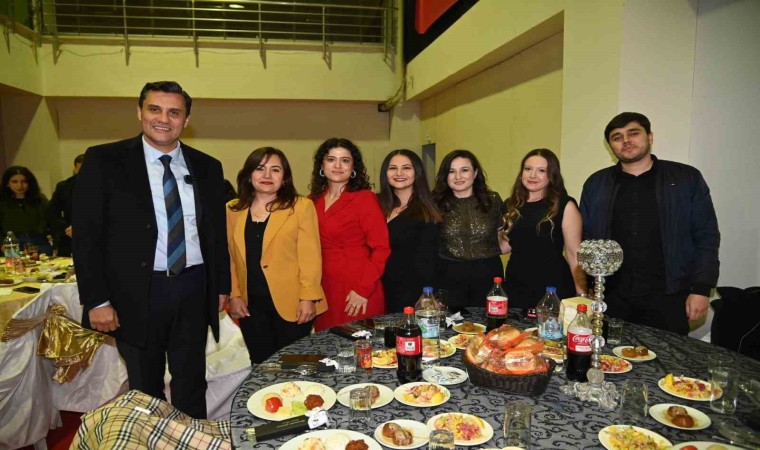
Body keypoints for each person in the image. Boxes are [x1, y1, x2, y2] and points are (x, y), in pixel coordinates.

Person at [72, 81, 231, 418]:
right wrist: (97, 300)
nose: (164, 119)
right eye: (155, 109)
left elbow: (216, 234)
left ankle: (191, 439)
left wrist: (221, 286)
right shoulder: (104, 160)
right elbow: (86, 236)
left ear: (186, 119)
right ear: (139, 112)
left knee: (192, 382)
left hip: (193, 288)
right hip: (135, 293)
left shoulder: (207, 166)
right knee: (145, 386)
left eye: (174, 112)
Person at [579, 112, 720, 335]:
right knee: (609, 354)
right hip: (612, 296)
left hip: (669, 295)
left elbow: (706, 235)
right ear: (611, 146)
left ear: (650, 137)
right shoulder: (596, 184)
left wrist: (701, 288)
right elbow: (586, 238)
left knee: (667, 355)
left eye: (633, 133)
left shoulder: (685, 179)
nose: (626, 140)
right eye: (617, 137)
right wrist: (587, 285)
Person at [226, 147, 326, 363]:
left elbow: (310, 256)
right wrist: (234, 295)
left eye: (275, 170)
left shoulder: (301, 207)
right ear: (249, 174)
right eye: (260, 168)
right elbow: (230, 257)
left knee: (292, 364)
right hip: (250, 305)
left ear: (285, 177)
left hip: (293, 303)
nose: (267, 175)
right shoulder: (233, 209)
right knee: (261, 364)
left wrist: (308, 298)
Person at [308, 137, 390, 331]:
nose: (337, 166)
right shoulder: (311, 201)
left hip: (358, 286)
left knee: (359, 344)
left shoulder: (364, 199)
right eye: (331, 159)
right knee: (326, 343)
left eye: (345, 160)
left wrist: (363, 290)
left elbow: (381, 249)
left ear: (353, 167)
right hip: (323, 288)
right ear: (322, 165)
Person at [501, 149, 586, 310]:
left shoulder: (565, 205)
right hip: (515, 285)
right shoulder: (510, 205)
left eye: (541, 171)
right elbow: (506, 246)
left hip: (552, 287)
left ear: (552, 175)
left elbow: (574, 254)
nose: (532, 175)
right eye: (528, 169)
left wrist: (581, 295)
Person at [432, 150, 503, 310]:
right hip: (448, 276)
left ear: (475, 173)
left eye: (464, 170)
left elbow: (504, 236)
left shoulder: (492, 200)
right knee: (450, 322)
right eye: (451, 171)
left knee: (489, 322)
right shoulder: (434, 204)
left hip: (487, 275)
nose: (458, 176)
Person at [378, 149, 442, 313]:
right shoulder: (375, 204)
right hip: (376, 288)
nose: (399, 173)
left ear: (417, 172)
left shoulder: (427, 210)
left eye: (406, 168)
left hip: (411, 292)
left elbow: (429, 258)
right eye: (393, 168)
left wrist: (427, 294)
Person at [0, 166, 52, 255]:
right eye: (14, 182)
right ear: (7, 183)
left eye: (24, 181)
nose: (19, 185)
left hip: (39, 243)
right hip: (12, 244)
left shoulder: (39, 200)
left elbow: (51, 221)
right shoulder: (2, 201)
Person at [48, 154, 85, 257]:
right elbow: (52, 213)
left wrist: (82, 227)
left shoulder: (106, 186)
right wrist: (67, 227)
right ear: (75, 170)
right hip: (69, 235)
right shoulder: (64, 187)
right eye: (81, 170)